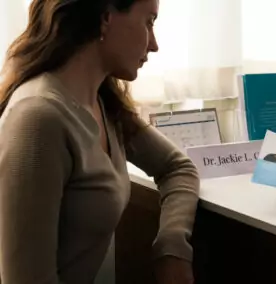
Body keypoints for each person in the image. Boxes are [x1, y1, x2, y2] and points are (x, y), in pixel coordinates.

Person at [0, 0, 199, 283]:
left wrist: (172, 248)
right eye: (149, 22)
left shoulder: (102, 101)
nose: (154, 44)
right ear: (106, 17)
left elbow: (177, 168)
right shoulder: (38, 118)